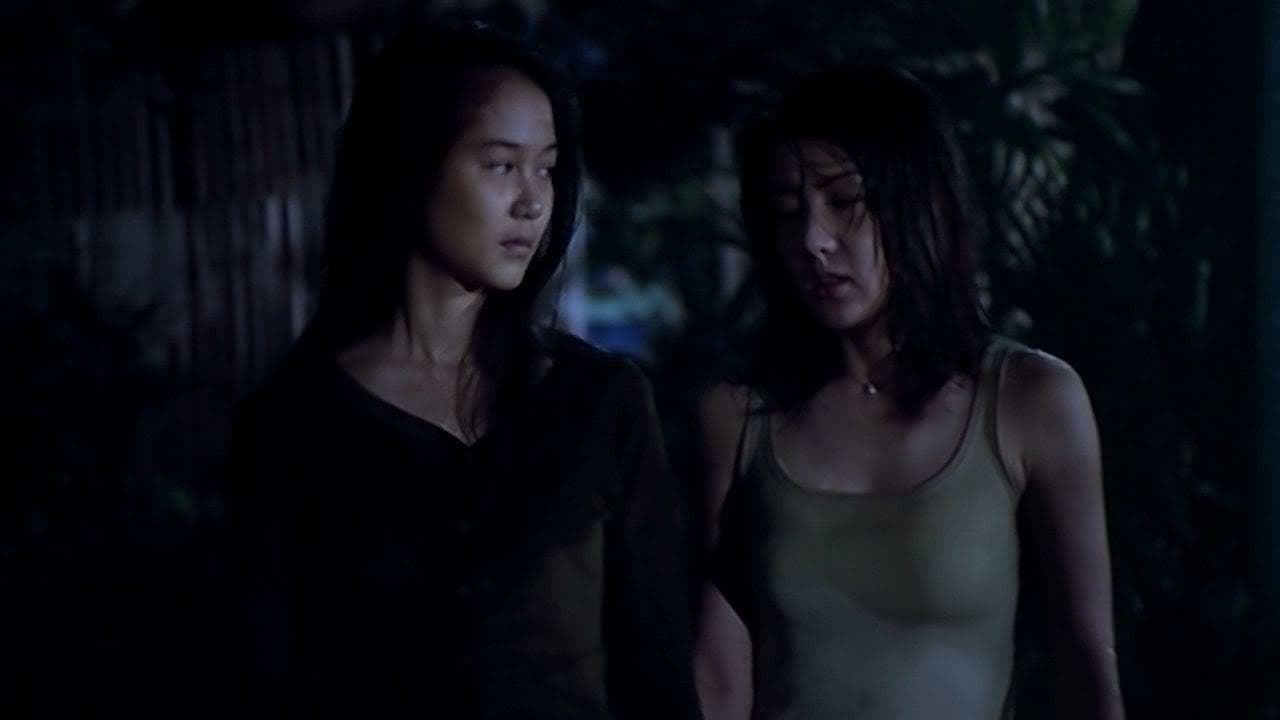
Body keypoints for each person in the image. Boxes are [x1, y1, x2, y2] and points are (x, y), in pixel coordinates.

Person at [227, 23, 701, 720]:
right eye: (501, 165)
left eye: (547, 168)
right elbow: (261, 678)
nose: (533, 202)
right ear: (411, 168)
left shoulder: (600, 402)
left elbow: (656, 671)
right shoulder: (297, 422)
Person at [693, 65, 1124, 720]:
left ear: (918, 202)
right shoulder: (737, 417)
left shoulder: (1029, 400)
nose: (813, 240)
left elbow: (1086, 666)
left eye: (845, 201)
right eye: (787, 212)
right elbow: (719, 679)